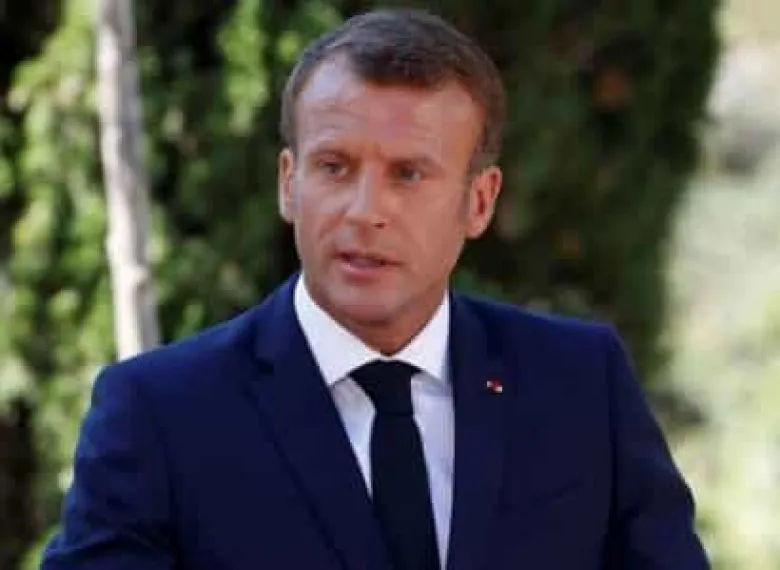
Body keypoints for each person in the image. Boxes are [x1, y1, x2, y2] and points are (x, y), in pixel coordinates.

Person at [41, 8, 710, 570]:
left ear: (479, 201)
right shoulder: (159, 414)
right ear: (288, 183)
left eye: (409, 174)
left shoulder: (579, 385)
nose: (365, 210)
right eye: (335, 167)